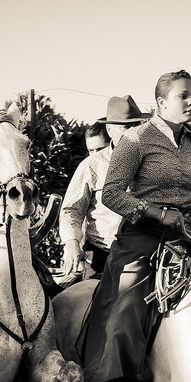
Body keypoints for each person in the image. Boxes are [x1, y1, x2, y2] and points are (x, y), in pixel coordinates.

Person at [81, 70, 191, 382]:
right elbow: (112, 194)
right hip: (141, 235)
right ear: (161, 103)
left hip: (189, 233)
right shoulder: (136, 140)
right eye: (183, 96)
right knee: (130, 303)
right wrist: (159, 214)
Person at [59, 96, 150, 281]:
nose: (134, 131)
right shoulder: (92, 165)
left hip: (147, 255)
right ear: (109, 129)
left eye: (137, 124)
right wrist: (72, 243)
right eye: (126, 126)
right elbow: (71, 210)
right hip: (102, 258)